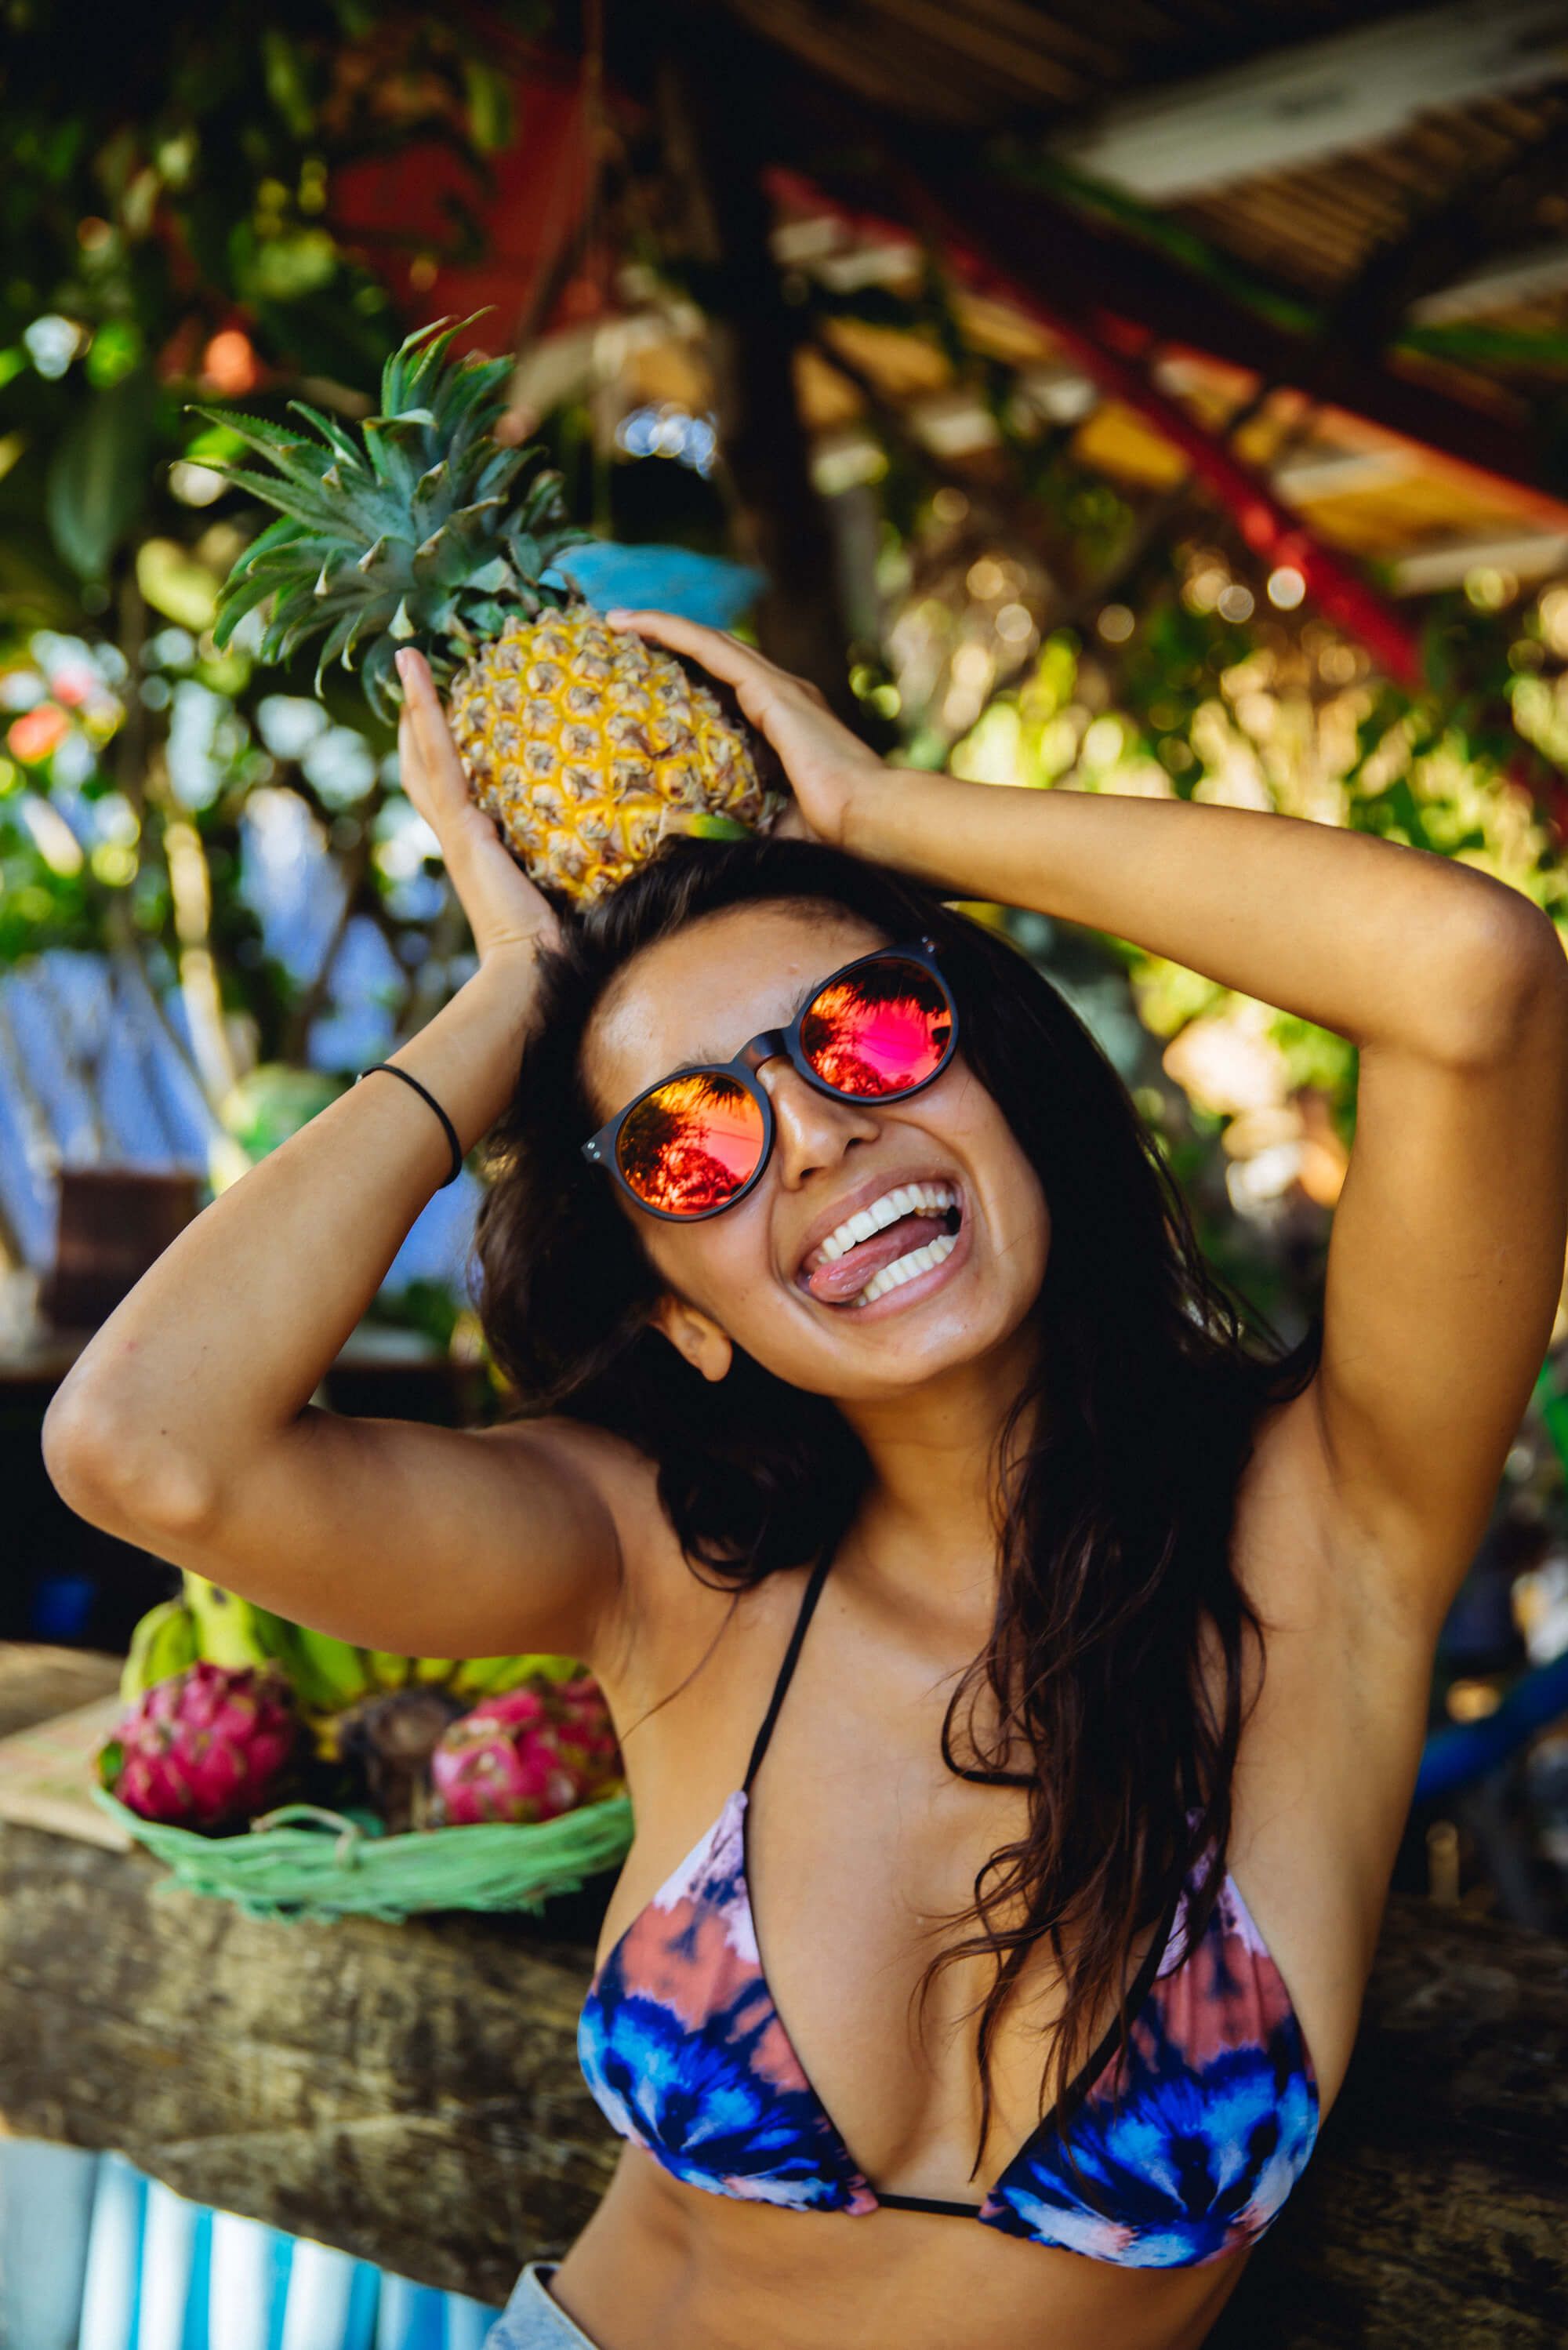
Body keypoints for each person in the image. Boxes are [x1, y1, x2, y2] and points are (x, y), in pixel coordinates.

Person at [43, 615, 1568, 2350]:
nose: (819, 1134)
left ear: (998, 1080)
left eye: (867, 1029)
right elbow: (139, 1445)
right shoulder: (663, 1568)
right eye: (689, 1141)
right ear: (682, 1317)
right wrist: (504, 1004)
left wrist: (884, 813)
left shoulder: (1327, 1535)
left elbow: (1474, 975)